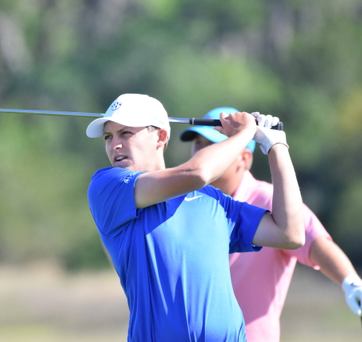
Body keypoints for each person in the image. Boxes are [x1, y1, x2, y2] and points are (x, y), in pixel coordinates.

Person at [85, 93, 305, 342]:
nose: (114, 145)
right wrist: (244, 134)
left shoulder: (213, 200)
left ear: (160, 136)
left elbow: (291, 234)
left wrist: (276, 146)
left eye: (125, 133)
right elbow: (198, 172)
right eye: (108, 137)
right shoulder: (107, 187)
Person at [180, 107, 362, 342]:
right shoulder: (185, 201)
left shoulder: (269, 199)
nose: (202, 152)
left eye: (213, 144)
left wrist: (351, 282)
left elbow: (314, 242)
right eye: (198, 143)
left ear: (243, 159)